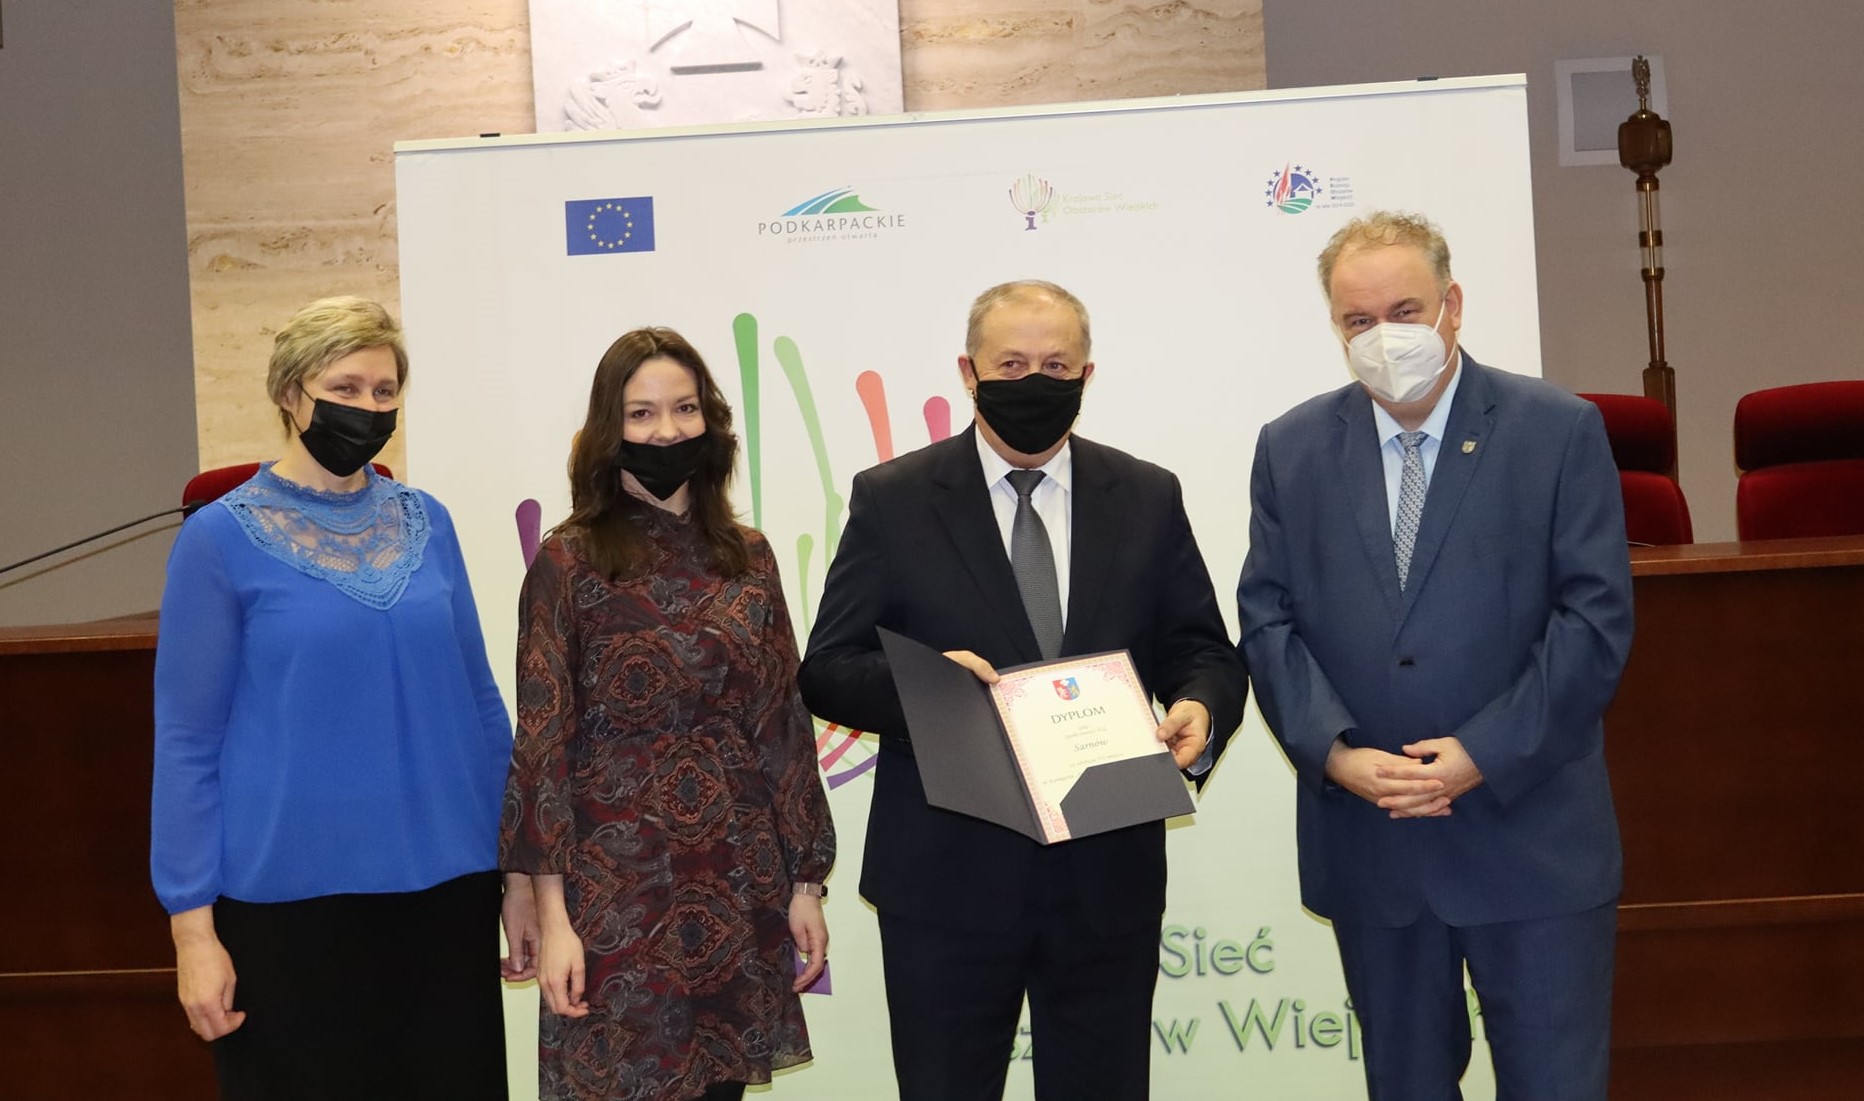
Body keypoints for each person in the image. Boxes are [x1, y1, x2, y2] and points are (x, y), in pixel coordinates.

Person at [798, 280, 1247, 1101]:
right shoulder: (893, 498)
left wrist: (1200, 708)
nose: (1034, 381)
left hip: (1106, 877)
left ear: (1087, 374)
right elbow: (827, 666)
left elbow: (1202, 649)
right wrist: (932, 685)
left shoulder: (1147, 494)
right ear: (968, 372)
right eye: (1011, 364)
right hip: (945, 880)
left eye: (1056, 365)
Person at [1237, 211, 1635, 1100]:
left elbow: (1594, 619)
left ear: (1452, 305)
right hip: (1375, 844)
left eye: (1405, 310)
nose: (1383, 336)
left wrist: (1479, 754)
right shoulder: (1291, 447)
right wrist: (1335, 754)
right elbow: (1266, 620)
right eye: (1358, 320)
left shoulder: (1557, 428)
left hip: (1531, 836)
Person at [151, 296, 523, 1100]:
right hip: (288, 911)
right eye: (345, 388)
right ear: (291, 394)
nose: (368, 408)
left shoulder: (431, 522)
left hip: (448, 896)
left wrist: (520, 875)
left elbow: (482, 705)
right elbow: (186, 743)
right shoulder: (216, 539)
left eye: (385, 391)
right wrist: (192, 932)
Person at [501, 327, 835, 1101]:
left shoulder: (748, 555)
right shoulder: (567, 562)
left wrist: (806, 883)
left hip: (737, 874)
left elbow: (782, 725)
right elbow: (543, 742)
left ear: (710, 421)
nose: (666, 431)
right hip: (612, 892)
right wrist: (553, 913)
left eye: (684, 409)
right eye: (641, 413)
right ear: (608, 429)